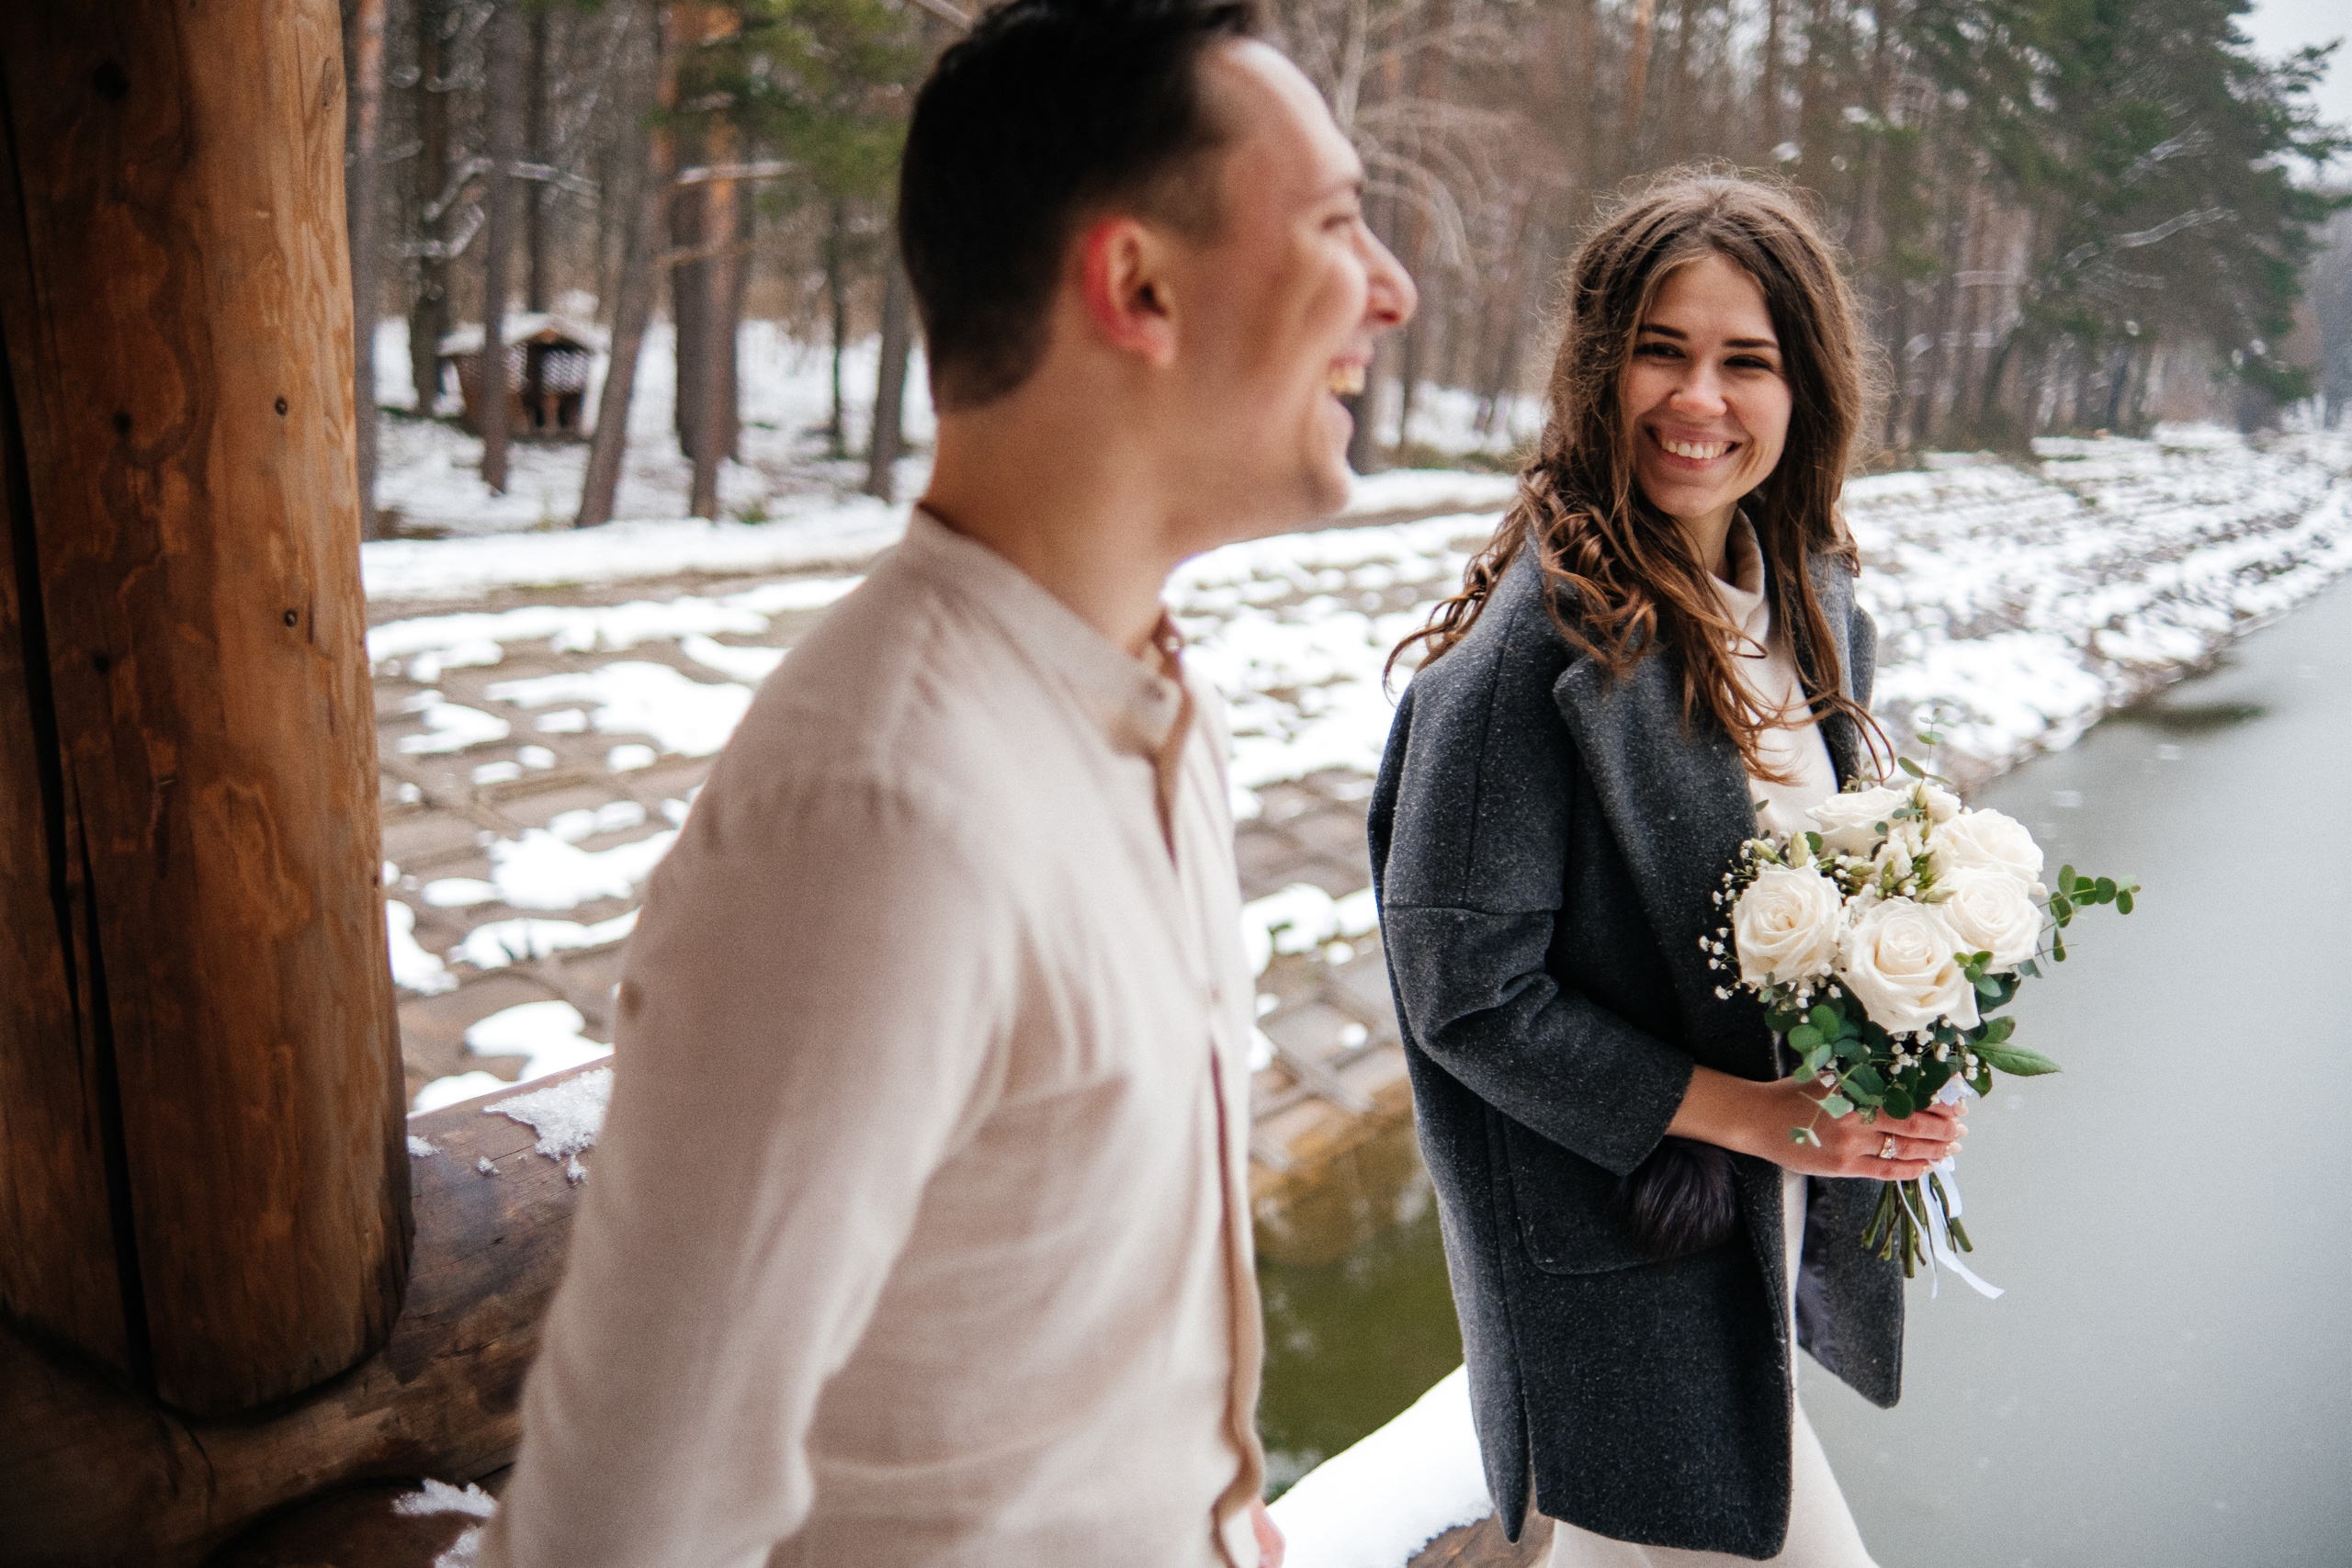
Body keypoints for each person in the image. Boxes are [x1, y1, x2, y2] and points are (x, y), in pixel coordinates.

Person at [476, 4, 1413, 1567]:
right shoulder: (881, 818)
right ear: (1136, 286)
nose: (1388, 287)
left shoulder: (1149, 704)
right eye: (1333, 223)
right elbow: (625, 1525)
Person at [1368, 172, 1962, 1566]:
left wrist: (1899, 1068)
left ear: (1803, 386)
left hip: (1757, 1223)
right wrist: (1753, 1118)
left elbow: (1834, 889)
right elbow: (1466, 996)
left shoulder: (1807, 593)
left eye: (1745, 360)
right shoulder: (1522, 665)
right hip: (1624, 1262)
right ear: (1595, 369)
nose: (1700, 399)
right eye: (1661, 349)